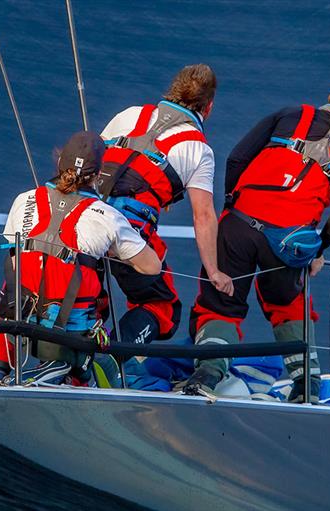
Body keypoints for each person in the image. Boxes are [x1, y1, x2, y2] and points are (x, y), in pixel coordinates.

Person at [184, 65, 330, 401]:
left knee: (221, 305)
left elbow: (237, 157)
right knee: (290, 307)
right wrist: (318, 247)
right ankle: (306, 386)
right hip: (288, 241)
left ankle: (205, 376)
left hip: (238, 223)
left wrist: (231, 206)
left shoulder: (294, 114)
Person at [0, 131, 162, 386]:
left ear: (59, 163)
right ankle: (66, 372)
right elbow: (151, 266)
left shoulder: (23, 200)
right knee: (108, 351)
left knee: (18, 274)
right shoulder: (107, 216)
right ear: (99, 175)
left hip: (18, 329)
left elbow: (14, 265)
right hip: (70, 338)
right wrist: (110, 247)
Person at [98, 63, 233, 346]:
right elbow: (204, 216)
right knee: (163, 308)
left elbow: (92, 160)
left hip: (81, 219)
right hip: (127, 234)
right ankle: (112, 358)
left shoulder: (130, 114)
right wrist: (214, 272)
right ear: (208, 108)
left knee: (87, 297)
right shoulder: (198, 150)